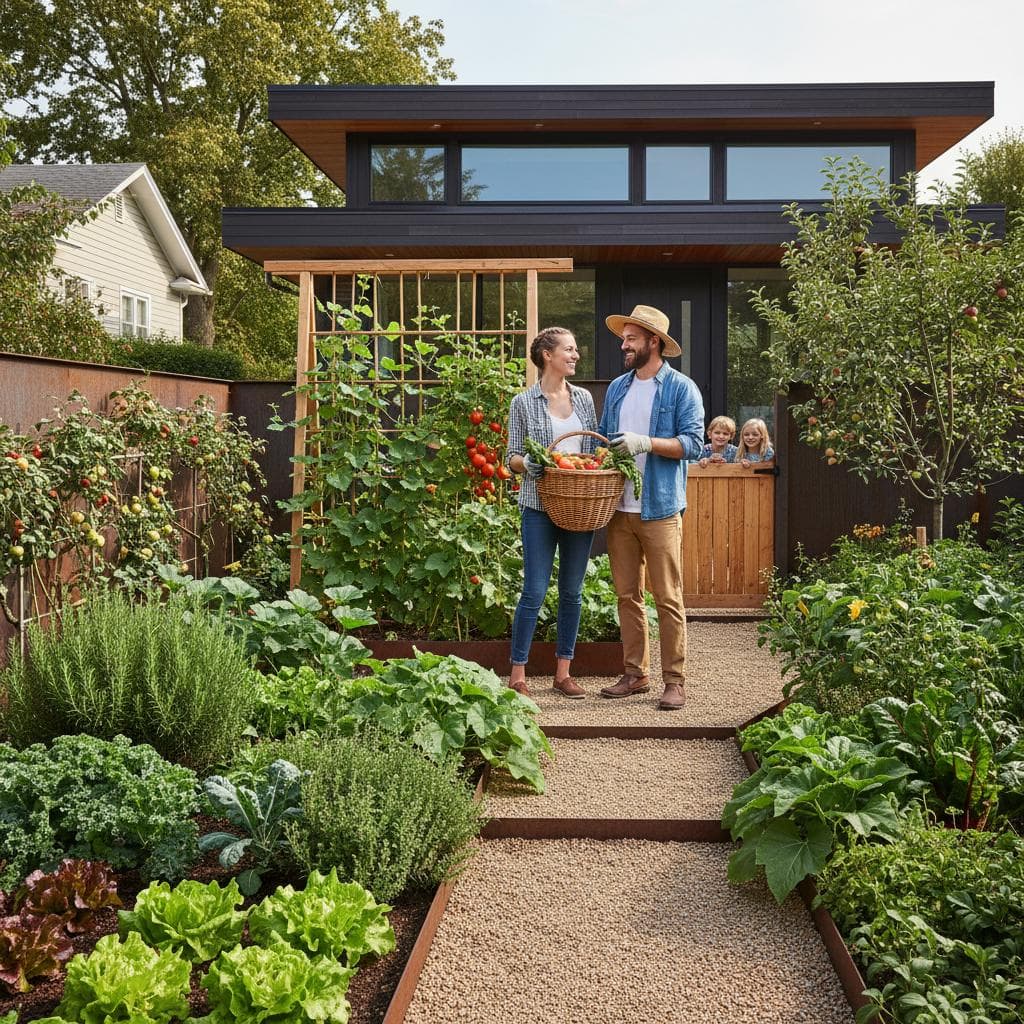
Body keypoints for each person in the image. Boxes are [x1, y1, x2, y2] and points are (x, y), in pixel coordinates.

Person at [597, 304, 705, 711]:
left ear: (653, 342)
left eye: (631, 339)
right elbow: (603, 440)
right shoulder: (618, 388)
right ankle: (635, 673)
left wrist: (646, 442)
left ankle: (674, 681)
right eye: (624, 338)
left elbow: (693, 444)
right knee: (627, 596)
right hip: (620, 508)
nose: (623, 345)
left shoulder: (681, 388)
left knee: (668, 598)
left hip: (659, 507)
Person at [505, 327, 598, 699]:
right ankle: (518, 674)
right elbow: (511, 457)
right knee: (534, 591)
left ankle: (563, 674)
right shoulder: (523, 402)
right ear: (547, 355)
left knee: (572, 592)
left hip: (579, 506)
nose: (576, 355)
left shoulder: (584, 399)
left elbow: (592, 449)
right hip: (538, 507)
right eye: (569, 349)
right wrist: (528, 464)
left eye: (575, 350)